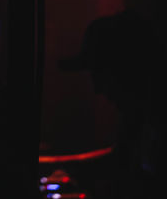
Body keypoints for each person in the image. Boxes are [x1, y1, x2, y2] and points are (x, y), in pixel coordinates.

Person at [59, 11, 166, 199]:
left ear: (127, 68)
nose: (97, 89)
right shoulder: (145, 118)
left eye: (99, 73)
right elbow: (120, 157)